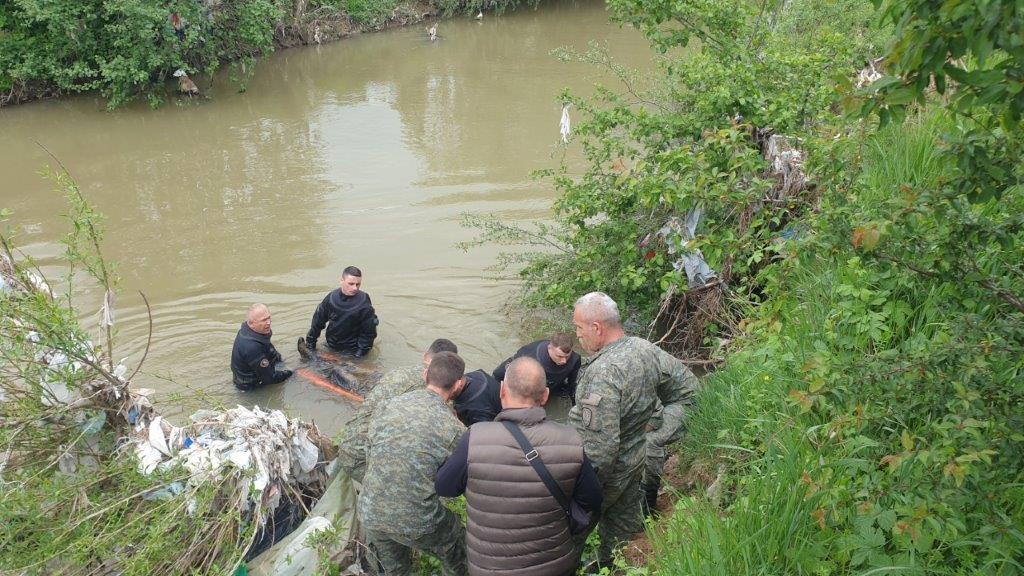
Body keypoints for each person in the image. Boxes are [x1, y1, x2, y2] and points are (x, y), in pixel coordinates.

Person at [436, 357, 602, 576]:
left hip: (489, 567)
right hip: (554, 565)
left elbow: (444, 487)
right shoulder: (571, 440)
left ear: (502, 390)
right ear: (545, 396)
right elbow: (592, 500)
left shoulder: (474, 438)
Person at [568, 292, 698, 566]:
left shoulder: (602, 374)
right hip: (635, 462)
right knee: (623, 532)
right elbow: (686, 387)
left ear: (597, 328)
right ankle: (611, 567)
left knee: (568, 536)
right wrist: (652, 421)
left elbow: (599, 451)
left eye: (578, 328)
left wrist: (579, 491)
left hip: (608, 475)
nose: (577, 336)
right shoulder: (644, 348)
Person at [360, 352, 468, 576]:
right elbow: (456, 484)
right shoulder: (455, 429)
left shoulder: (387, 406)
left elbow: (369, 454)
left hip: (370, 510)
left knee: (395, 571)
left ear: (425, 374)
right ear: (459, 385)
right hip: (419, 521)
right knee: (458, 552)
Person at [336, 338, 458, 482]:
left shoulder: (400, 371)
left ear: (425, 356)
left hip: (347, 447)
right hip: (363, 460)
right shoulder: (436, 386)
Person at [302, 266, 377, 358]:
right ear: (342, 280)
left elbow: (369, 332)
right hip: (331, 345)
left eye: (358, 284)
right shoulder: (331, 298)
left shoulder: (363, 301)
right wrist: (310, 344)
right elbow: (317, 322)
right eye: (351, 284)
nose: (355, 288)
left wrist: (359, 356)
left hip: (352, 350)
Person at [492, 333, 582, 402]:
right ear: (549, 348)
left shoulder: (575, 359)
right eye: (559, 356)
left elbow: (573, 385)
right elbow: (499, 374)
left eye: (567, 356)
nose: (564, 361)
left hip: (553, 386)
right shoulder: (531, 357)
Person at [230, 304, 293, 391]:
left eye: (269, 318)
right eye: (264, 320)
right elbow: (270, 378)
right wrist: (291, 373)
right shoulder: (252, 347)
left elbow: (268, 348)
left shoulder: (250, 330)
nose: (269, 322)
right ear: (251, 323)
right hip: (250, 387)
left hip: (252, 371)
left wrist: (280, 362)